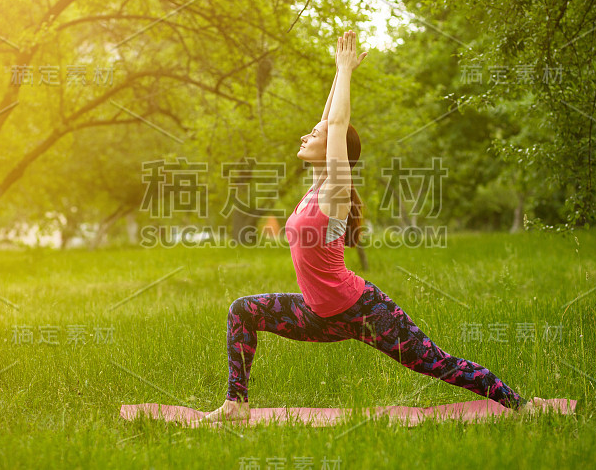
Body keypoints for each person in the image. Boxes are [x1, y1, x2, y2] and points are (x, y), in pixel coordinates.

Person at [195, 30, 547, 424]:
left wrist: (347, 72)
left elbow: (338, 123)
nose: (306, 134)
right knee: (242, 310)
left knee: (434, 362)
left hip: (362, 309)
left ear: (336, 151)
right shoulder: (315, 187)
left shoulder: (336, 189)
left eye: (315, 136)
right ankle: (236, 405)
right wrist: (336, 72)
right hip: (316, 314)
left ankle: (521, 405)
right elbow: (331, 119)